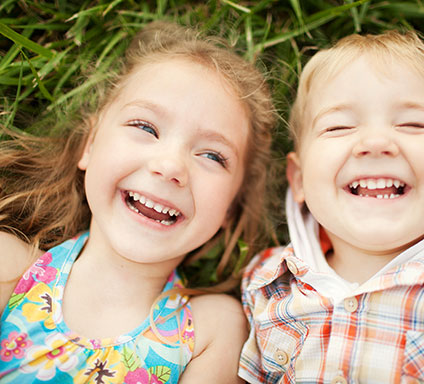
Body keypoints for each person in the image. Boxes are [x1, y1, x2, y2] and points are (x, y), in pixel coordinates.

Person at [0, 20, 274, 383]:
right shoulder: (10, 268)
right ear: (90, 144)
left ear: (231, 207)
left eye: (212, 156)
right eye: (145, 128)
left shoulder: (212, 331)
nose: (170, 166)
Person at [239, 30, 424, 383]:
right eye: (339, 126)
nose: (376, 142)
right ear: (300, 179)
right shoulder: (264, 284)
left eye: (412, 124)